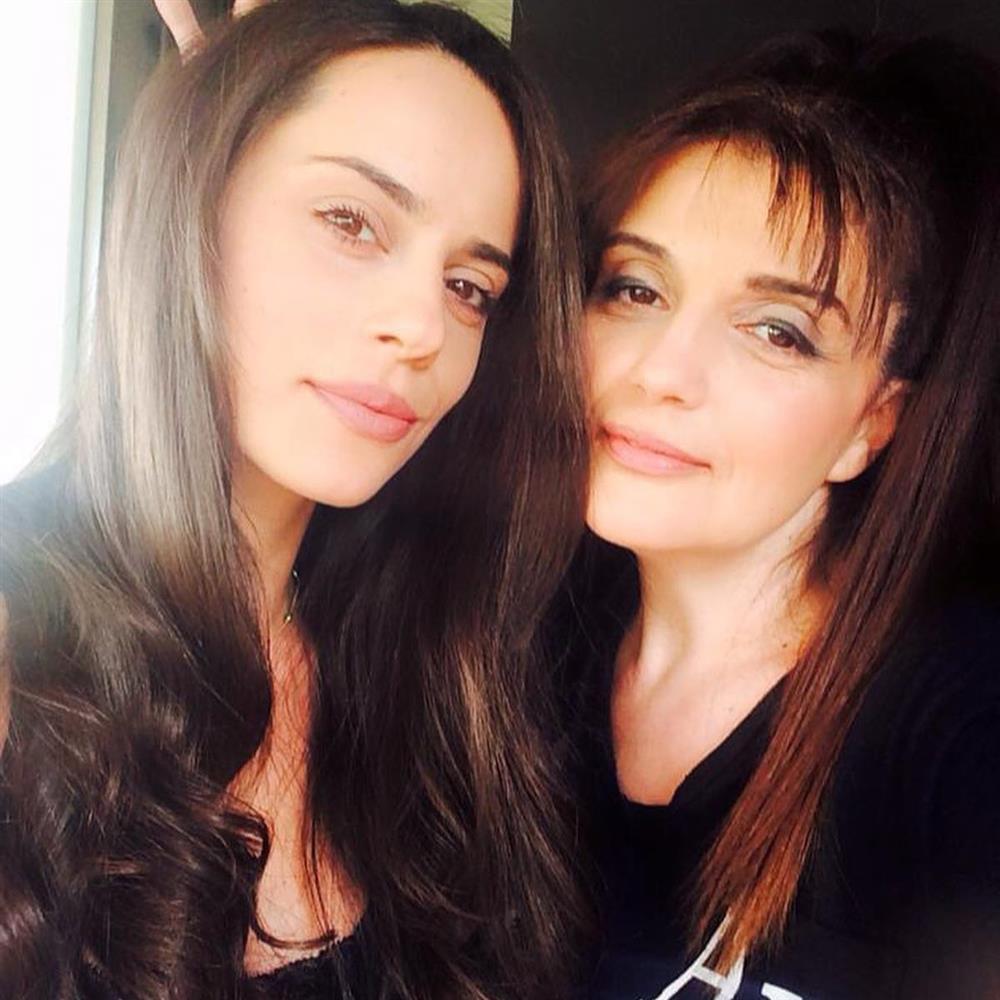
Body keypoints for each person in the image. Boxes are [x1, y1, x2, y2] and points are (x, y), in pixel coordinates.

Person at [0, 2, 589, 998]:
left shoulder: (433, 660)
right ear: (194, 201)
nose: (422, 328)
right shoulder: (21, 640)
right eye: (351, 222)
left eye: (469, 287)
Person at [559, 30, 1000, 1000]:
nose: (660, 372)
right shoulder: (505, 643)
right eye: (636, 288)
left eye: (777, 332)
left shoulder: (954, 725)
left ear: (873, 423)